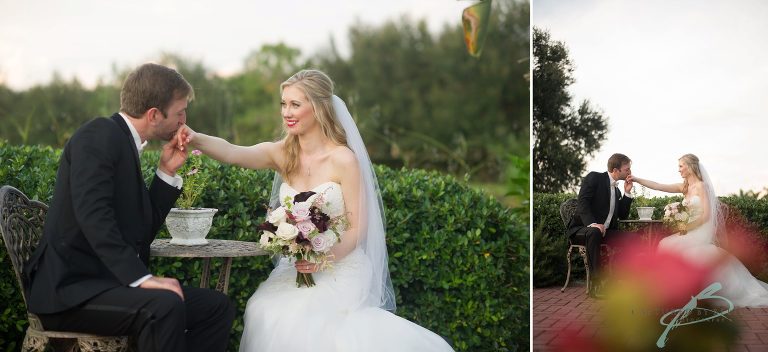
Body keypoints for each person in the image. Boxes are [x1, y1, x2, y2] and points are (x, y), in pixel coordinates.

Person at [178, 69, 455, 351]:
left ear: (320, 107)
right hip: (296, 268)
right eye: (284, 103)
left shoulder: (343, 159)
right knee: (263, 309)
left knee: (305, 320)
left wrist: (322, 257)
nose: (287, 111)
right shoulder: (283, 152)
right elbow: (232, 152)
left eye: (295, 104)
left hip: (340, 267)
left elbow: (358, 227)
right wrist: (195, 138)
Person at [23, 63, 236, 352]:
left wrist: (166, 172)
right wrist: (142, 279)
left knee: (216, 307)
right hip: (70, 292)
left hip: (104, 285)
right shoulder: (98, 135)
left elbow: (138, 234)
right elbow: (93, 216)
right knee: (164, 306)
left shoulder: (123, 142)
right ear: (153, 114)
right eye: (180, 112)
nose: (185, 120)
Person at [629, 153, 768, 307]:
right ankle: (671, 291)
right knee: (664, 243)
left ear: (690, 167)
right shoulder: (684, 187)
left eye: (681, 166)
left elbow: (707, 215)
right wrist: (636, 179)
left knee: (668, 245)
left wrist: (688, 226)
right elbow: (658, 185)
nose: (679, 170)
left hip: (700, 230)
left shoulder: (702, 186)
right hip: (689, 230)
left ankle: (678, 291)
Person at [567, 153, 634, 298]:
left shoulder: (616, 190)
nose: (630, 172)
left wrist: (627, 193)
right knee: (595, 232)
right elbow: (582, 203)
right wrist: (593, 224)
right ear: (616, 170)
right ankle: (595, 285)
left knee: (632, 238)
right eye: (627, 169)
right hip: (581, 229)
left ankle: (618, 280)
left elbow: (622, 215)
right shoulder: (594, 178)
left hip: (605, 232)